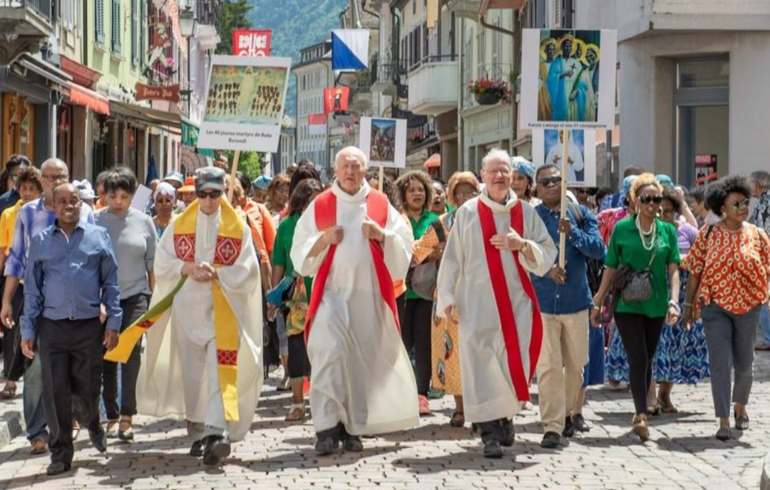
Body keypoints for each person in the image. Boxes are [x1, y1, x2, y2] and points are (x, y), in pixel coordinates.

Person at [109, 167, 263, 466]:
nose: (208, 201)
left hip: (224, 311)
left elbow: (248, 269)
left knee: (219, 370)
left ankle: (217, 434)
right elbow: (163, 262)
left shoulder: (238, 226)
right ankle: (197, 430)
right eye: (203, 194)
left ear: (221, 193)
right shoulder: (180, 225)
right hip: (187, 311)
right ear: (195, 194)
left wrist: (218, 272)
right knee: (193, 376)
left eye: (215, 194)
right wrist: (186, 267)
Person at [290, 147, 418, 455]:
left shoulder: (380, 203)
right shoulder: (321, 205)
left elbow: (405, 246)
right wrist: (322, 240)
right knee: (329, 356)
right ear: (335, 170)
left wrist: (381, 235)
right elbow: (299, 252)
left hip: (368, 296)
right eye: (345, 166)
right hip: (330, 295)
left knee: (360, 364)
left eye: (356, 167)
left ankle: (353, 427)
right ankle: (326, 427)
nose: (350, 172)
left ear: (366, 171)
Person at [436, 149, 557, 458]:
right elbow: (452, 259)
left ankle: (504, 418)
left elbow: (548, 251)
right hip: (476, 304)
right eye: (494, 172)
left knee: (508, 364)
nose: (501, 177)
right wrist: (448, 297)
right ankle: (489, 432)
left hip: (516, 305)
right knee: (482, 367)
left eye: (506, 171)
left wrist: (522, 245)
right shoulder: (468, 213)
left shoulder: (526, 213)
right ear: (483, 176)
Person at [20, 183, 121, 476]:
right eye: (61, 200)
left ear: (81, 204)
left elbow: (112, 284)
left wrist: (113, 322)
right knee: (55, 392)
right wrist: (28, 330)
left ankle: (92, 421)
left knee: (88, 388)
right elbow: (33, 292)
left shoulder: (98, 237)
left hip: (88, 327)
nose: (68, 205)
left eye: (73, 200)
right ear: (52, 205)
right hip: (51, 328)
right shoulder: (40, 242)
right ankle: (61, 453)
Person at [2, 158, 93, 455]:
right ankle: (37, 432)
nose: (55, 181)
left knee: (70, 365)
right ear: (41, 180)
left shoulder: (85, 211)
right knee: (36, 366)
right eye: (50, 177)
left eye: (61, 176)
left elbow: (95, 256)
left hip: (75, 302)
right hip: (36, 300)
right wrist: (6, 300)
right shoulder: (27, 213)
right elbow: (15, 259)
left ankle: (66, 419)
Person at [591, 173, 681, 441]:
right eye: (647, 199)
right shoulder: (622, 229)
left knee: (648, 357)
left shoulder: (667, 231)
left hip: (655, 304)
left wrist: (674, 301)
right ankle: (641, 413)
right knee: (638, 356)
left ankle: (642, 408)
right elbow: (610, 267)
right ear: (634, 200)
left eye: (657, 199)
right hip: (627, 304)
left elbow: (673, 269)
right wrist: (598, 299)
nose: (653, 204)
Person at [682, 175, 770, 441]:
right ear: (722, 209)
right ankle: (722, 418)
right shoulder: (708, 234)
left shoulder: (757, 235)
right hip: (715, 307)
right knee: (720, 363)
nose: (743, 207)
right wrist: (688, 304)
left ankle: (739, 405)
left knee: (744, 365)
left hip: (748, 308)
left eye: (745, 202)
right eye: (736, 204)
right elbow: (695, 272)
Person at [533, 165, 606, 449]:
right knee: (549, 366)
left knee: (576, 365)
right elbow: (525, 254)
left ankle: (566, 413)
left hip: (576, 302)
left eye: (556, 180)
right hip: (544, 302)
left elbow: (599, 250)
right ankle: (551, 426)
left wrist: (572, 233)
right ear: (537, 188)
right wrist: (547, 269)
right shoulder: (533, 218)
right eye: (545, 182)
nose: (551, 184)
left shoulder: (582, 214)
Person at [413, 171, 480, 428]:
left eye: (470, 192)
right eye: (460, 192)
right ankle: (460, 408)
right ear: (452, 196)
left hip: (478, 294)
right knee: (452, 355)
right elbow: (416, 251)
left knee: (476, 352)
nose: (465, 197)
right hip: (448, 296)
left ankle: (478, 409)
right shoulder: (442, 223)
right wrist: (434, 254)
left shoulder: (484, 220)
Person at [95, 167, 157, 442]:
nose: (118, 201)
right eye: (113, 195)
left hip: (136, 295)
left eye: (124, 195)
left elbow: (152, 266)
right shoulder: (95, 221)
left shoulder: (145, 222)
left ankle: (127, 417)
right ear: (104, 195)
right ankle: (111, 414)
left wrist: (155, 301)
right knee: (108, 354)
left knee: (130, 353)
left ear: (133, 195)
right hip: (103, 299)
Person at [650, 186, 709, 413]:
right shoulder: (649, 230)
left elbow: (701, 260)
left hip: (681, 297)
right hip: (654, 296)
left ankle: (665, 394)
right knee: (656, 348)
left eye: (668, 211)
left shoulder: (688, 232)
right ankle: (650, 396)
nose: (663, 215)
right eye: (660, 211)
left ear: (676, 211)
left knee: (676, 349)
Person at [270, 178, 323, 421]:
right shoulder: (286, 226)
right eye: (314, 199)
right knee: (296, 346)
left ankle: (322, 399)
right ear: (302, 201)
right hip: (296, 293)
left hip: (324, 290)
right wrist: (274, 294)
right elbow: (279, 261)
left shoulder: (327, 224)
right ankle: (297, 401)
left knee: (323, 346)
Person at [394, 170, 438, 415]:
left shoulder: (434, 219)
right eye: (412, 190)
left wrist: (428, 254)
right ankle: (401, 392)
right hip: (399, 291)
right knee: (401, 343)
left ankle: (421, 393)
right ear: (403, 194)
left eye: (421, 189)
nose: (417, 194)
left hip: (425, 291)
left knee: (423, 344)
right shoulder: (396, 219)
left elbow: (442, 250)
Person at [0, 166, 42, 400]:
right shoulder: (9, 214)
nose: (27, 193)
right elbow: (6, 251)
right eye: (23, 188)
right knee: (14, 331)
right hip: (17, 280)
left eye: (32, 189)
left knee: (27, 332)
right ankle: (12, 378)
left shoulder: (48, 213)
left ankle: (19, 378)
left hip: (41, 285)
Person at [748, 171, 770, 351]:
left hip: (765, 258)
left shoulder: (763, 204)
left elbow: (760, 233)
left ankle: (769, 338)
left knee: (763, 299)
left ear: (757, 184)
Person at [547, 36, 576, 121]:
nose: (568, 48)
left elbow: (580, 81)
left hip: (573, 100)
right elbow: (550, 79)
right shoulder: (556, 62)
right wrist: (564, 74)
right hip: (560, 98)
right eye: (566, 46)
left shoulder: (575, 62)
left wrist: (576, 91)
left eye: (570, 46)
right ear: (562, 47)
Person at [538, 38, 556, 121]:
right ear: (545, 51)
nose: (551, 51)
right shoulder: (541, 66)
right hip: (545, 96)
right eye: (549, 49)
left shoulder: (559, 64)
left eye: (553, 49)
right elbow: (538, 84)